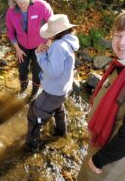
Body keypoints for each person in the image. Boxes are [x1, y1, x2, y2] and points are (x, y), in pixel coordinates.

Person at [77, 10, 125, 181]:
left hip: (112, 161)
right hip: (103, 142)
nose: (121, 42)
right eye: (118, 35)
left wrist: (99, 160)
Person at [25, 14, 79, 151]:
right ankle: (61, 133)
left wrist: (40, 54)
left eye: (50, 33)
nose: (48, 36)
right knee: (58, 108)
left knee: (34, 114)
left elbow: (53, 72)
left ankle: (32, 144)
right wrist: (48, 51)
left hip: (53, 90)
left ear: (57, 33)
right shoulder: (69, 41)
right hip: (63, 88)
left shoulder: (59, 46)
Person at [5, 0, 53, 100]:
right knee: (22, 70)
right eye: (18, 2)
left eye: (24, 2)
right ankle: (23, 89)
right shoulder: (11, 12)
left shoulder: (42, 6)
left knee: (37, 72)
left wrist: (47, 44)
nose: (21, 5)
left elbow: (53, 25)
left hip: (39, 46)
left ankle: (34, 93)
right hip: (22, 46)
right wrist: (17, 49)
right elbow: (10, 32)